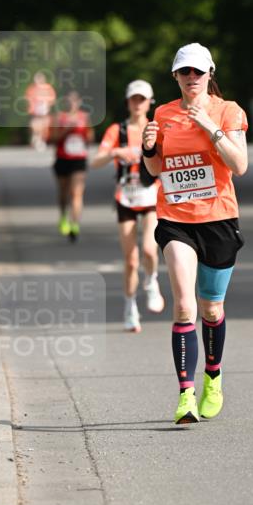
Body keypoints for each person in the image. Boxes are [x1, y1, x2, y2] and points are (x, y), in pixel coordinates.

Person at [141, 43, 248, 424]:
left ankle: (212, 377)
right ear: (175, 76)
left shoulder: (228, 110)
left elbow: (240, 165)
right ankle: (185, 395)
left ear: (209, 75)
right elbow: (155, 170)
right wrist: (148, 147)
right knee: (185, 304)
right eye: (184, 72)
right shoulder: (163, 113)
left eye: (197, 72)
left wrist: (209, 126)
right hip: (176, 219)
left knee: (211, 308)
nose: (191, 78)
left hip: (218, 219)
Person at [91, 80, 165, 332]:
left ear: (149, 102)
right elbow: (96, 161)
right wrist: (115, 153)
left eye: (142, 99)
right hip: (125, 197)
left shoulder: (156, 128)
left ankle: (152, 280)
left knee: (149, 250)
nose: (137, 103)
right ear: (127, 101)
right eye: (134, 98)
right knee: (131, 259)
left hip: (151, 196)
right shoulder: (117, 130)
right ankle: (130, 306)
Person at [48, 90, 94, 241]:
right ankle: (63, 216)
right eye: (69, 101)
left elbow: (90, 138)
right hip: (62, 159)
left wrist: (84, 137)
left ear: (79, 102)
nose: (71, 104)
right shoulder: (58, 118)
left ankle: (74, 224)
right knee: (64, 193)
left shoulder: (84, 118)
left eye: (74, 101)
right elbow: (52, 139)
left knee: (76, 193)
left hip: (78, 159)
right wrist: (66, 131)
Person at [25, 71, 56, 150]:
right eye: (37, 79)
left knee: (44, 127)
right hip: (35, 112)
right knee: (35, 126)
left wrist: (47, 104)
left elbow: (52, 98)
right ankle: (36, 139)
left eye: (40, 79)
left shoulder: (48, 88)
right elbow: (28, 99)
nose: (39, 81)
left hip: (45, 111)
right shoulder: (32, 89)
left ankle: (41, 140)